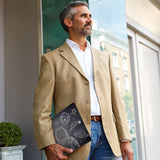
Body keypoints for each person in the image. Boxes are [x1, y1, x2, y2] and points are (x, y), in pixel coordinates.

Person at [33, 1, 134, 160]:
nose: (89, 19)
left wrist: (125, 138)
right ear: (69, 22)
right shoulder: (51, 60)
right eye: (83, 16)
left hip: (108, 135)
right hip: (73, 137)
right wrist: (48, 144)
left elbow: (116, 101)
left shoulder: (103, 57)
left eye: (90, 16)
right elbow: (41, 109)